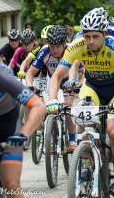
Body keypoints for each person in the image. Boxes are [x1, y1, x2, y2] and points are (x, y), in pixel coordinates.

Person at [46, 11, 114, 198]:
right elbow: (57, 75)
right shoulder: (78, 45)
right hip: (92, 88)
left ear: (105, 34)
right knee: (83, 124)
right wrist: (53, 99)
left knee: (113, 130)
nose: (91, 41)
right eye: (87, 36)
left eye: (95, 36)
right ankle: (86, 159)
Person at [26, 25, 77, 153]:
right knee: (50, 108)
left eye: (57, 46)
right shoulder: (44, 51)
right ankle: (52, 138)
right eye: (51, 46)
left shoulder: (71, 50)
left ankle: (72, 140)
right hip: (52, 79)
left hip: (68, 80)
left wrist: (71, 85)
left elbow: (72, 71)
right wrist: (30, 87)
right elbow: (30, 73)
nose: (54, 50)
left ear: (64, 44)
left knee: (67, 108)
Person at [0, 62, 46, 198]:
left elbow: (38, 106)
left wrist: (22, 134)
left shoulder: (2, 75)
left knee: (11, 185)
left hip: (7, 127)